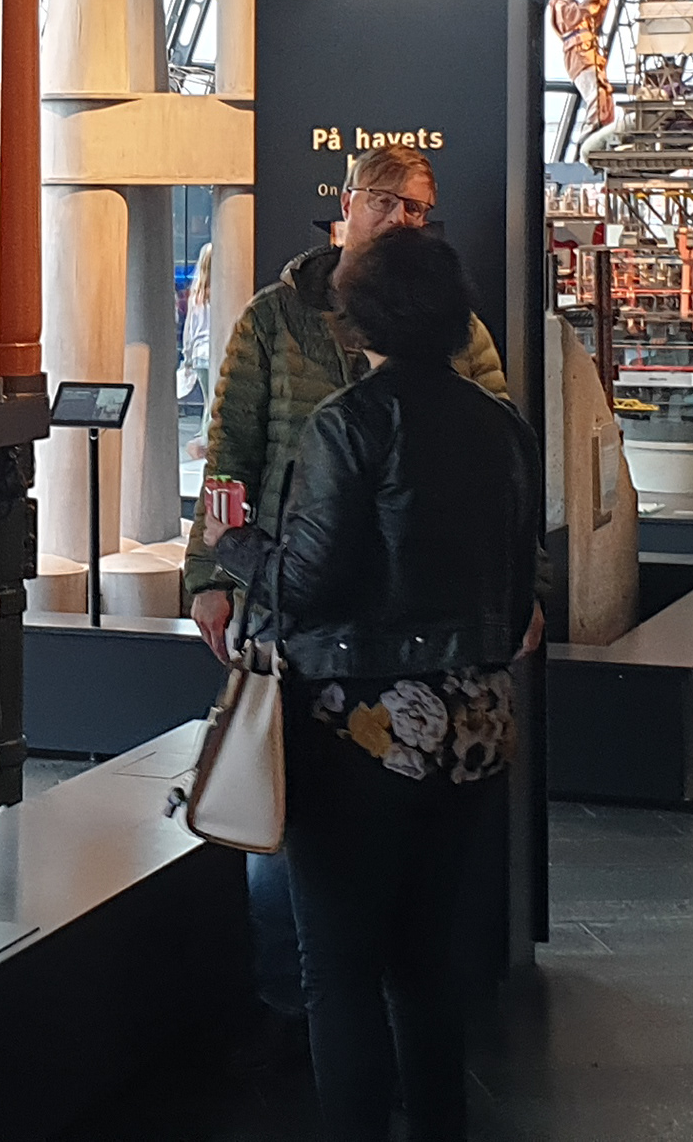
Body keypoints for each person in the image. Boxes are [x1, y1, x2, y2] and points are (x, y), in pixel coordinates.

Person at [213, 226, 542, 1142]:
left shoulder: (350, 421)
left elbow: (306, 582)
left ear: (359, 318)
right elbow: (520, 584)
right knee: (428, 960)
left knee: (340, 967)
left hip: (363, 723)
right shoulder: (503, 427)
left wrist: (233, 545)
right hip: (476, 722)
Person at [187, 143, 512, 1029]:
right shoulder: (274, 316)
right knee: (276, 824)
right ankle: (289, 1009)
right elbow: (230, 446)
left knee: (379, 867)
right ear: (348, 202)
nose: (402, 219)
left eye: (418, 208)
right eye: (388, 202)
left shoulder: (460, 334)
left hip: (406, 615)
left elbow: (500, 459)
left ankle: (348, 1027)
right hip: (295, 612)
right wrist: (211, 573)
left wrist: (527, 585)